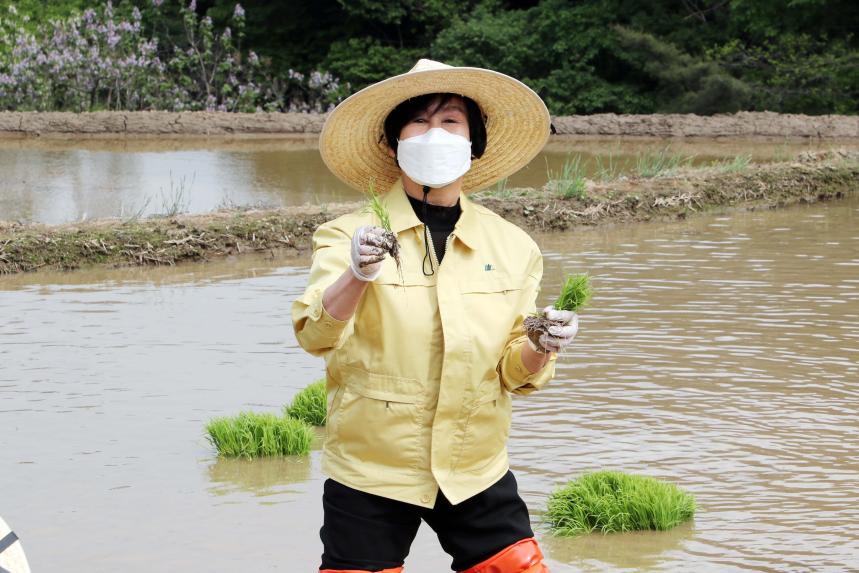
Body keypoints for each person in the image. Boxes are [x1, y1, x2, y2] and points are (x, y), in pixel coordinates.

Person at [292, 59, 579, 573]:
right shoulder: (348, 235)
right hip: (371, 465)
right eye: (419, 121)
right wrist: (357, 273)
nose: (434, 134)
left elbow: (513, 374)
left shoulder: (514, 247)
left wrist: (542, 345)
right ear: (393, 141)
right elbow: (315, 335)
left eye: (450, 122)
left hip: (474, 464)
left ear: (474, 143)